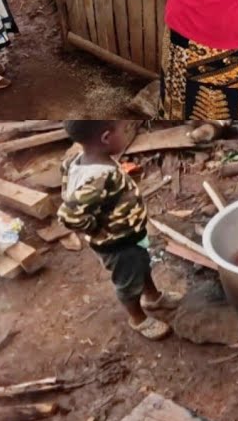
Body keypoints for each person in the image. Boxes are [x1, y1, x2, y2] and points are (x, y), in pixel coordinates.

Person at [57, 120, 183, 340]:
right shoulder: (100, 178)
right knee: (128, 283)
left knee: (141, 265)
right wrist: (95, 228)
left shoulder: (77, 161)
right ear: (106, 138)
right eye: (124, 130)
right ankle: (138, 319)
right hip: (118, 245)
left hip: (129, 236)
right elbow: (68, 215)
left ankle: (153, 297)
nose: (128, 133)